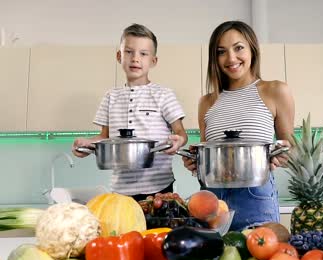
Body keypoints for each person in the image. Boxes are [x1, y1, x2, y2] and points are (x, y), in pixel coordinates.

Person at [183, 20, 295, 231]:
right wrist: (195, 163)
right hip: (212, 198)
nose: (231, 58)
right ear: (214, 58)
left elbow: (292, 150)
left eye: (238, 48)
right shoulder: (206, 102)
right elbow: (208, 155)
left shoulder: (275, 91)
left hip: (256, 195)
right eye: (221, 51)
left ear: (252, 49)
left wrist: (282, 155)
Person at [72, 23, 187, 201]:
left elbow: (180, 133)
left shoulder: (164, 94)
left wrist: (178, 141)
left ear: (153, 61)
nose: (135, 58)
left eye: (143, 54)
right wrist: (87, 143)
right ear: (119, 56)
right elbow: (105, 136)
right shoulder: (111, 96)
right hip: (120, 190)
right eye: (129, 52)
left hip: (159, 187)